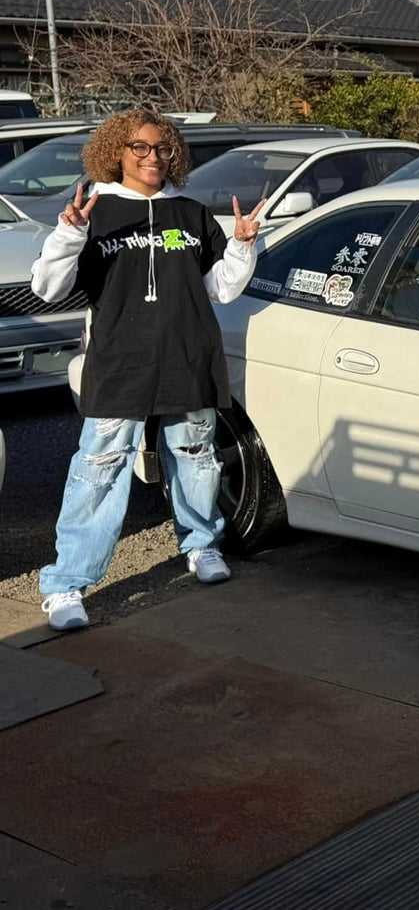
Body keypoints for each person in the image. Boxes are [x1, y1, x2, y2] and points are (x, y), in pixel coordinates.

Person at [29, 110, 266, 630]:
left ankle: (201, 545)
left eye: (161, 148)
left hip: (188, 357)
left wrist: (244, 244)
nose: (152, 157)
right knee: (99, 468)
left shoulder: (190, 213)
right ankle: (68, 584)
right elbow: (46, 289)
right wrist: (69, 235)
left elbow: (221, 288)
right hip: (119, 364)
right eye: (139, 147)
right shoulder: (97, 212)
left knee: (196, 456)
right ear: (116, 151)